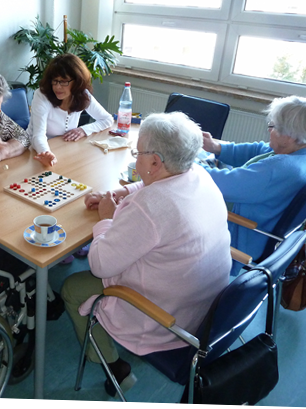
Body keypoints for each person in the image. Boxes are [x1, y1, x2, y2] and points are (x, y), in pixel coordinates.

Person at [62, 112, 231, 397]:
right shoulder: (197, 172)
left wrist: (106, 218)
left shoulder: (150, 207)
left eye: (137, 153)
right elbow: (151, 187)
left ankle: (113, 366)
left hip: (167, 319)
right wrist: (120, 192)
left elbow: (100, 264)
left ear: (155, 162)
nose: (134, 159)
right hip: (207, 302)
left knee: (71, 287)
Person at [200, 95, 306, 267]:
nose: (269, 130)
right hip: (270, 226)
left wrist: (187, 163)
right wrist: (216, 147)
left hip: (249, 234)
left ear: (289, 136)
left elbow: (223, 185)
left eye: (273, 127)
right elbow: (261, 149)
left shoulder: (280, 169)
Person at [27, 53, 114, 167]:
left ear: (77, 81)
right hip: (37, 152)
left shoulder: (82, 94)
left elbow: (107, 119)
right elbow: (38, 135)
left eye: (64, 81)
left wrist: (83, 130)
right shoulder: (42, 95)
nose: (58, 87)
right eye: (55, 81)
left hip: (67, 150)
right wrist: (46, 153)